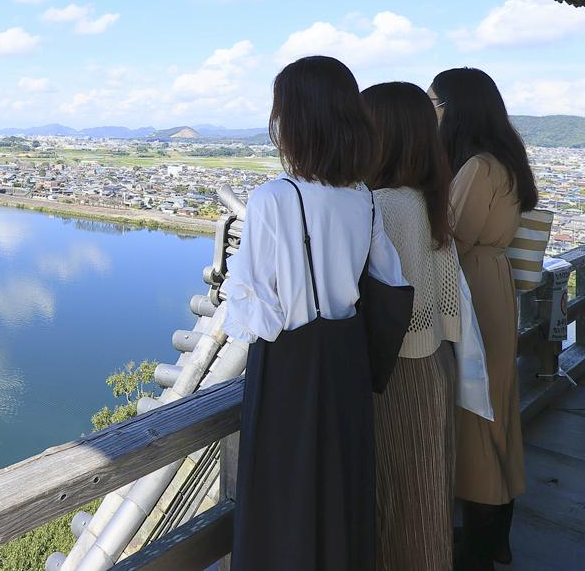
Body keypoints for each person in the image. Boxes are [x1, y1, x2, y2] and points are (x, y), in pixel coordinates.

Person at [224, 55, 408, 571]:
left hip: (290, 366)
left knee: (283, 495)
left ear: (296, 121)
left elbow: (252, 310)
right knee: (341, 486)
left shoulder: (273, 198)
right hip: (346, 363)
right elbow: (391, 281)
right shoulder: (363, 198)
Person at [429, 68, 537, 570]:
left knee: (476, 417)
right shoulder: (507, 161)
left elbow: (452, 239)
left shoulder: (477, 167)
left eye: (436, 102)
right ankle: (496, 538)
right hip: (495, 288)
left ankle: (475, 550)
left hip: (471, 288)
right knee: (497, 412)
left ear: (456, 107)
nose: (433, 111)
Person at [363, 82, 462, 571]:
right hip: (434, 360)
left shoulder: (382, 206)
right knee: (425, 499)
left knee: (397, 504)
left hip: (396, 371)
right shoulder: (427, 196)